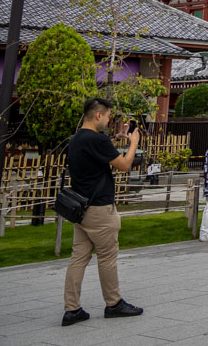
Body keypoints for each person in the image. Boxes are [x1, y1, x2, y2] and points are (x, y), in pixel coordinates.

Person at [62, 97, 143, 327]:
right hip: (100, 207)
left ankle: (72, 309)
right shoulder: (97, 140)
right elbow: (125, 165)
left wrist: (115, 140)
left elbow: (96, 159)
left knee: (78, 258)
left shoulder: (76, 139)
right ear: (98, 115)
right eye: (108, 116)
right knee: (107, 256)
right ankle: (113, 303)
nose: (108, 121)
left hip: (80, 207)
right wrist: (133, 142)